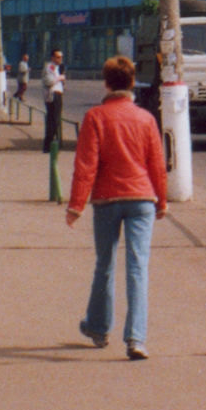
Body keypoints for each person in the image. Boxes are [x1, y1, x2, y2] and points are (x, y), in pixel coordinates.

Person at [65, 56, 168, 361]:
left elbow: (86, 166)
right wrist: (161, 200)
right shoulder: (146, 119)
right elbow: (157, 166)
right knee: (138, 268)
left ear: (107, 82)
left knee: (105, 265)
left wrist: (75, 205)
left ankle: (98, 328)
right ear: (133, 82)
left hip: (107, 200)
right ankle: (136, 338)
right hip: (141, 200)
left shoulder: (96, 117)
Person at [42, 49, 65, 154]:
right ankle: (50, 145)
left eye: (61, 57)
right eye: (58, 57)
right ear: (52, 58)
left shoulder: (57, 67)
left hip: (57, 93)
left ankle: (52, 145)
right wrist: (60, 78)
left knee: (55, 120)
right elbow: (48, 81)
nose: (60, 59)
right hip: (53, 95)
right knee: (53, 120)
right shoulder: (50, 67)